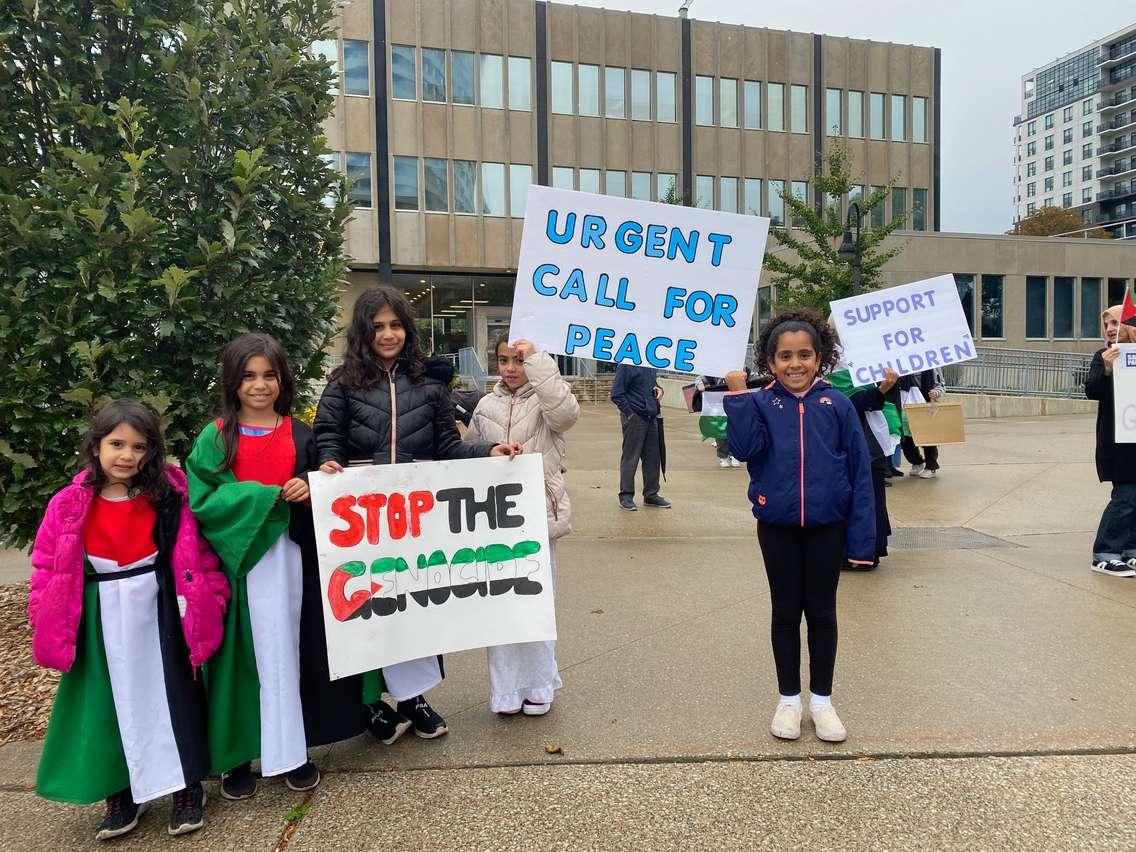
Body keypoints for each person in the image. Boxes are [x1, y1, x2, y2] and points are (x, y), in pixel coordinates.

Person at [314, 286, 521, 743]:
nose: (388, 335)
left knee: (410, 604)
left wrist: (489, 451)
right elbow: (327, 438)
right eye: (378, 327)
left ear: (408, 329)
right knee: (366, 606)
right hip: (363, 517)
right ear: (363, 333)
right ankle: (370, 701)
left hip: (414, 516)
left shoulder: (429, 384)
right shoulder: (341, 383)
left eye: (396, 325)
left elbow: (446, 446)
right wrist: (330, 464)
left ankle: (413, 697)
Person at [30, 399, 228, 840]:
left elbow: (197, 555)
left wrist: (210, 596)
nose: (127, 456)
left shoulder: (167, 498)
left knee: (172, 695)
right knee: (109, 704)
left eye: (139, 447)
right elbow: (48, 566)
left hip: (156, 610)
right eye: (117, 444)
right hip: (98, 614)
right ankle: (120, 791)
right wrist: (44, 613)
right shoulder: (68, 504)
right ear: (96, 445)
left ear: (151, 452)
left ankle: (186, 786)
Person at [185, 334, 338, 801]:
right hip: (239, 561)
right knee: (239, 660)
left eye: (269, 375)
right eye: (249, 375)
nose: (259, 385)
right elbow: (203, 498)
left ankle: (291, 751)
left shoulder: (300, 433)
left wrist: (314, 486)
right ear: (232, 381)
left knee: (287, 654)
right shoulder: (216, 436)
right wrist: (263, 495)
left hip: (291, 560)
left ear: (282, 379)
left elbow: (324, 484)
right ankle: (237, 755)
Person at [724, 309, 874, 744]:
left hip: (828, 527)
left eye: (804, 355)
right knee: (786, 613)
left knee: (823, 613)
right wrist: (737, 396)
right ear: (769, 362)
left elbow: (861, 476)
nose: (795, 364)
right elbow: (746, 448)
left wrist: (861, 542)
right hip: (778, 527)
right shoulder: (759, 401)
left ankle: (822, 701)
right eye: (785, 356)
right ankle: (789, 699)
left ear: (821, 358)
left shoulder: (838, 404)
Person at [465, 335, 579, 715]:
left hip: (538, 516)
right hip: (496, 519)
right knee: (500, 608)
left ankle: (539, 683)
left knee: (535, 604)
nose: (511, 368)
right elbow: (469, 455)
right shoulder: (484, 406)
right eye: (504, 361)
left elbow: (566, 414)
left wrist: (539, 362)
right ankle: (505, 690)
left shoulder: (547, 401)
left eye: (518, 361)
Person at [1085, 304, 1136, 578]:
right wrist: (1106, 368)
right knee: (1125, 497)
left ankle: (1130, 550)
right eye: (1106, 324)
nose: (1110, 329)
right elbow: (1091, 391)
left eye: (1115, 322)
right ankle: (1104, 552)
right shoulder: (1102, 356)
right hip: (1118, 443)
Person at [611, 364, 670, 510]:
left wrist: (659, 389)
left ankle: (651, 494)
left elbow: (651, 384)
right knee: (631, 457)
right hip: (635, 416)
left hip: (651, 415)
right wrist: (630, 414)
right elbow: (616, 393)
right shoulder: (626, 365)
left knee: (653, 457)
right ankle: (626, 496)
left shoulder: (649, 364)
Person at [898, 369, 946, 479]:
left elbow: (940, 385)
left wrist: (936, 393)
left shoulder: (931, 365)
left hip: (924, 403)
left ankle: (931, 466)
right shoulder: (899, 362)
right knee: (906, 438)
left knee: (927, 437)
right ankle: (917, 461)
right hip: (904, 404)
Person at [697, 375, 740, 468]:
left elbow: (753, 378)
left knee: (736, 430)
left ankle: (735, 454)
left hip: (736, 402)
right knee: (720, 430)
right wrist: (700, 383)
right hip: (719, 404)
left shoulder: (742, 368)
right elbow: (700, 378)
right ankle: (723, 456)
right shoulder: (716, 369)